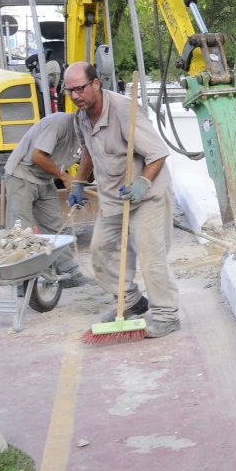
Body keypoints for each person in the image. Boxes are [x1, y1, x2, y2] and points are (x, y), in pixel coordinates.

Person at [65, 61, 181, 339]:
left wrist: (143, 183)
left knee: (150, 256)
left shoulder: (124, 111)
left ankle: (166, 314)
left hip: (146, 196)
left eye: (80, 89)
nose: (76, 96)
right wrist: (79, 182)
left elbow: (157, 153)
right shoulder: (81, 118)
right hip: (113, 196)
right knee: (101, 251)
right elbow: (89, 152)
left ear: (95, 84)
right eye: (70, 91)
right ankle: (130, 301)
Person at [2, 112, 92, 287]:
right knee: (20, 229)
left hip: (45, 178)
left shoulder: (90, 133)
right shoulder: (58, 123)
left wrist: (80, 185)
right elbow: (38, 156)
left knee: (54, 225)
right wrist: (64, 177)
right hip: (22, 174)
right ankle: (21, 281)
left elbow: (89, 161)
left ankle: (67, 271)